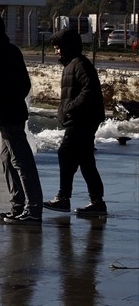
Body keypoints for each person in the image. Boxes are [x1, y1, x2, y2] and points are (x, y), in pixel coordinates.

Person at [0, 12, 44, 225]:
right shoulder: (13, 49)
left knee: (20, 160)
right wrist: (14, 100)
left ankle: (33, 209)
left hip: (6, 114)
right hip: (14, 112)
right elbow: (25, 84)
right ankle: (17, 206)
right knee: (7, 158)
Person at [42, 29, 107, 216]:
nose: (56, 52)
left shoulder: (80, 64)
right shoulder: (73, 64)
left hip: (82, 120)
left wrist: (70, 107)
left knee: (66, 153)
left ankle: (64, 198)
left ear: (67, 47)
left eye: (58, 48)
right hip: (81, 119)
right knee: (85, 160)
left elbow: (90, 88)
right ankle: (96, 202)